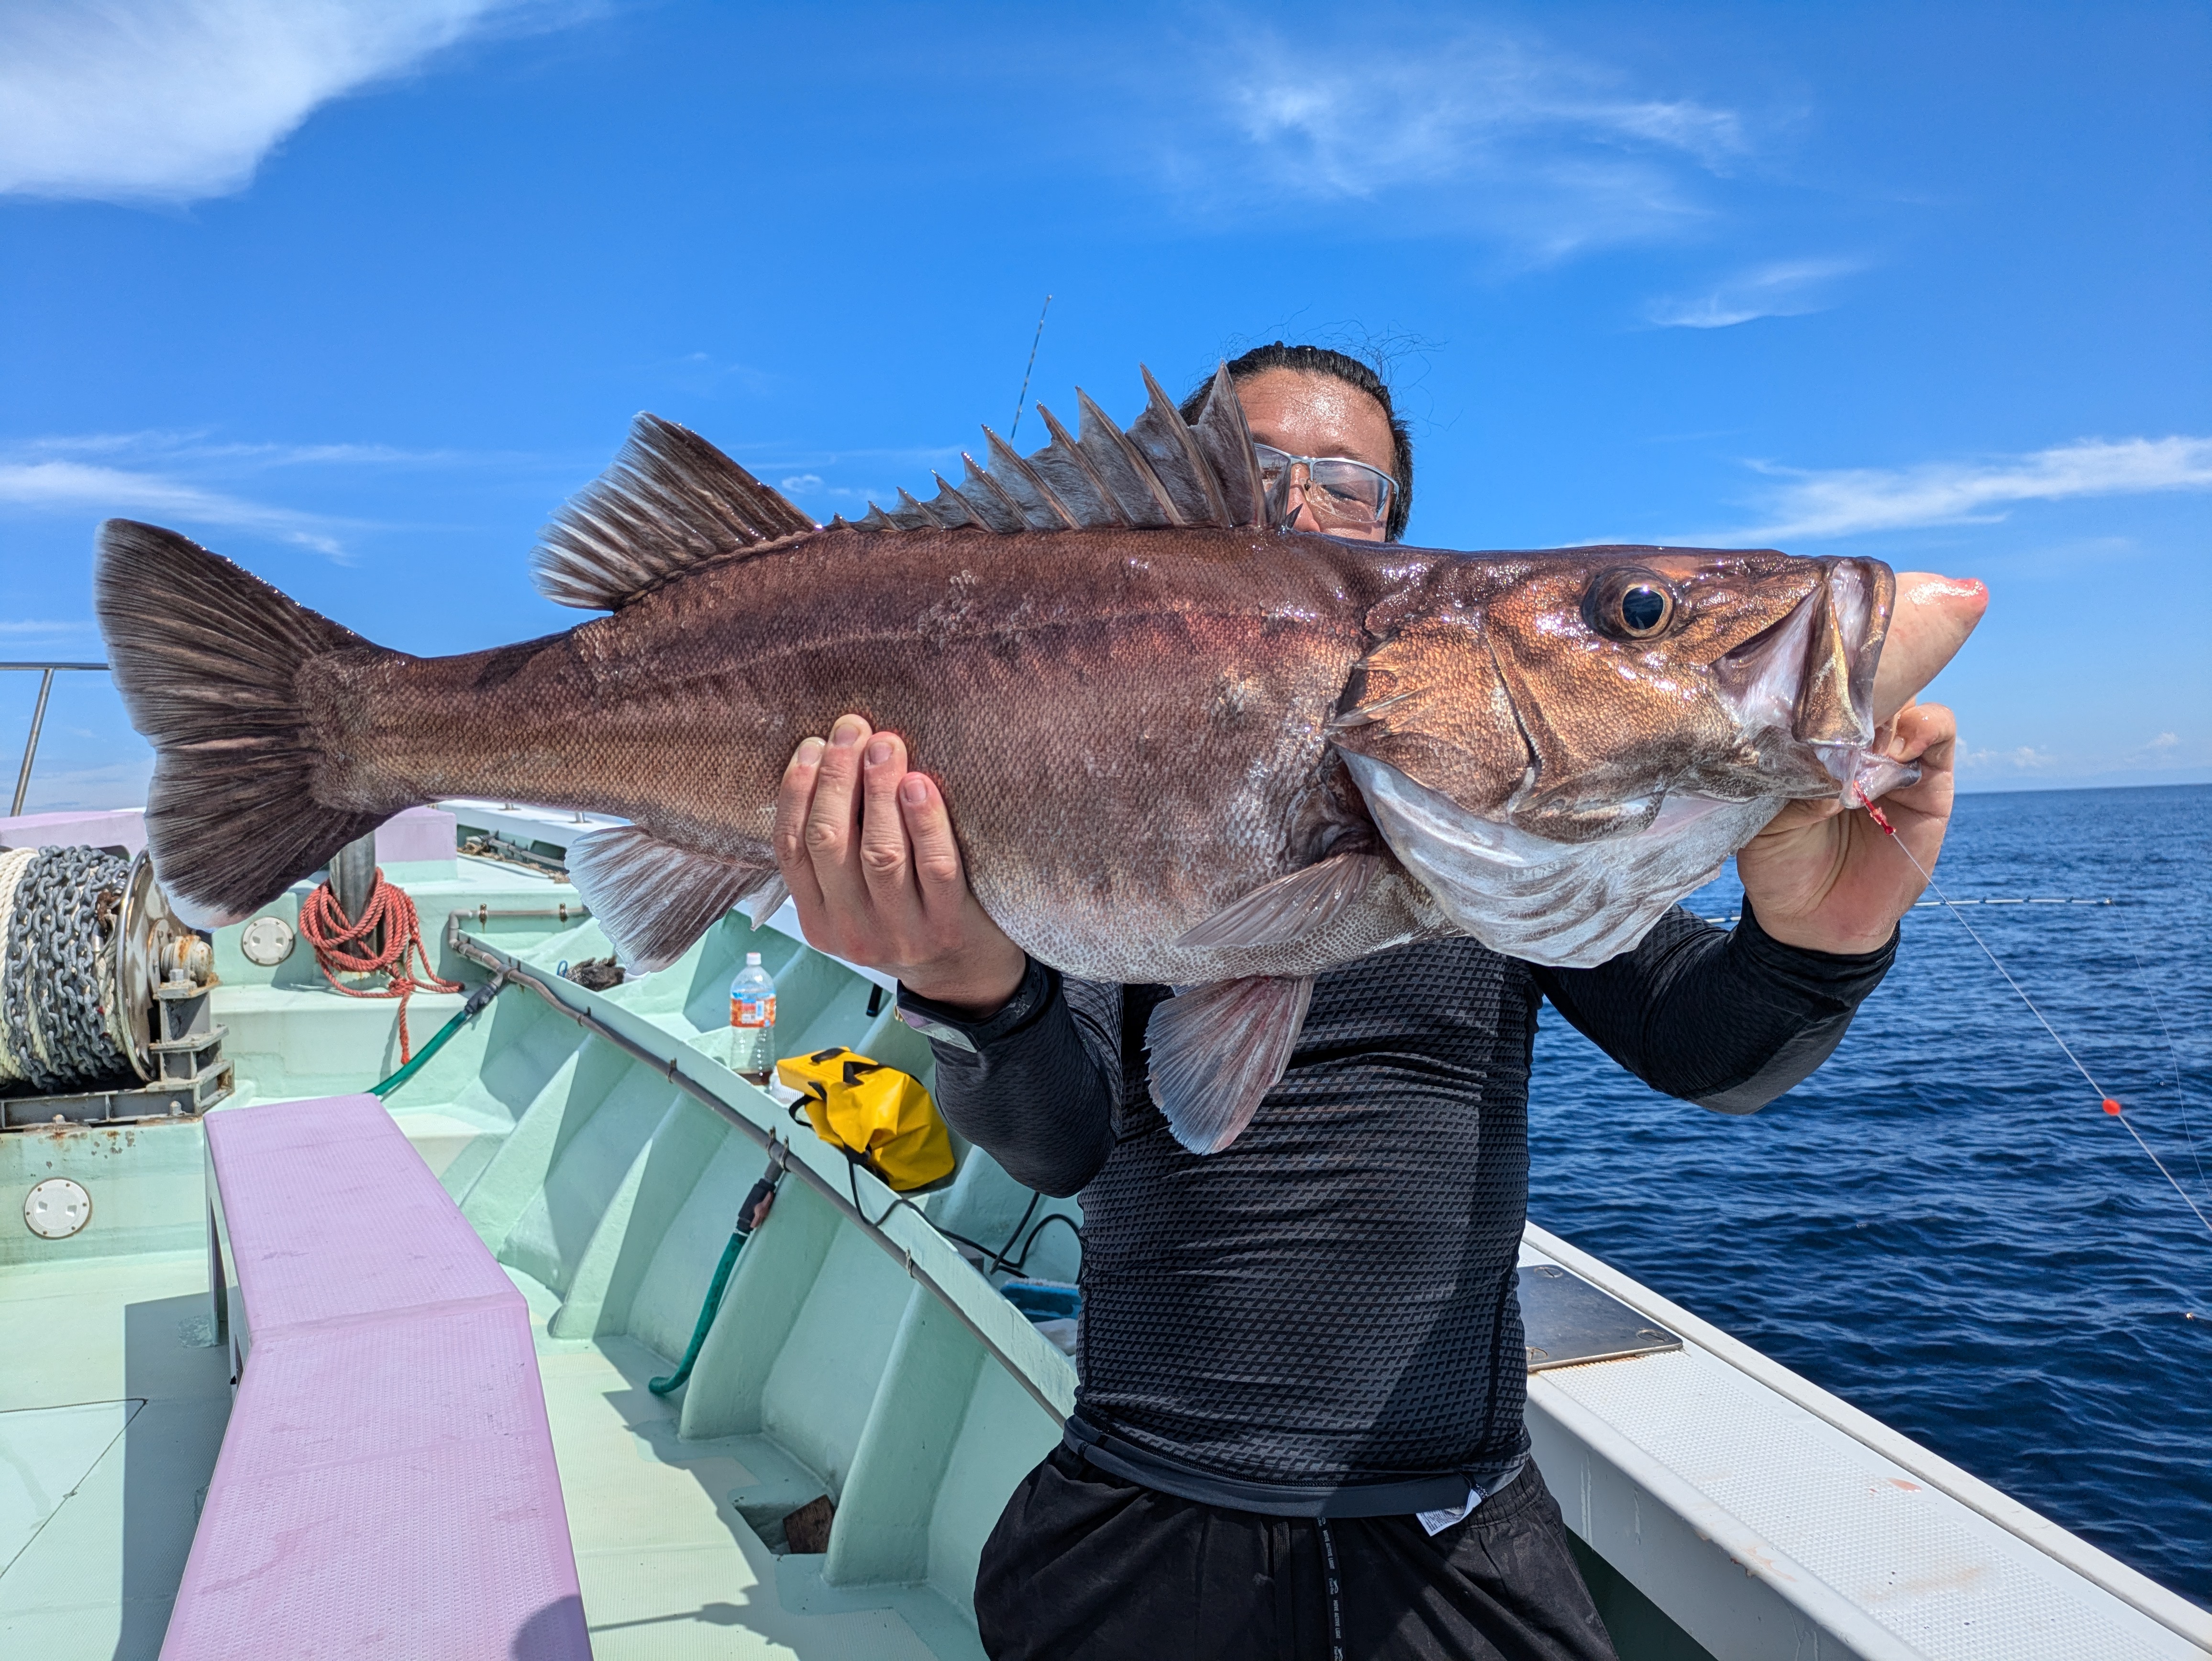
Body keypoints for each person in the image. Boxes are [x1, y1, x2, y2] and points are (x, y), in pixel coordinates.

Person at [770, 343, 1959, 1660]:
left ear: (1397, 535)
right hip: (1139, 1512)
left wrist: (1819, 945)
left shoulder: (1510, 824)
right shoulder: (1097, 785)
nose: (1301, 503)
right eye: (1258, 467)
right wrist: (959, 984)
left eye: (1352, 484)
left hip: (1463, 1524)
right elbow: (1059, 1144)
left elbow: (1709, 1049)